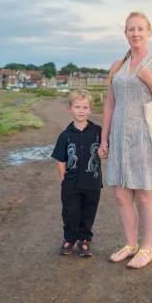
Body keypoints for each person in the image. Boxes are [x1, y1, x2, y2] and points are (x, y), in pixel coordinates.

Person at [99, 12, 152, 269]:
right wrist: (104, 139)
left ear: (149, 32)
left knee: (145, 195)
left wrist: (149, 80)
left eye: (140, 29)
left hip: (146, 138)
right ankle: (130, 244)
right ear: (125, 33)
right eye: (131, 29)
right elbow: (110, 104)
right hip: (119, 138)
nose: (135, 33)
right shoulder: (117, 65)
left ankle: (147, 248)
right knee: (122, 195)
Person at [51, 89, 103, 257]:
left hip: (93, 182)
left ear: (90, 110)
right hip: (71, 184)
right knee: (70, 212)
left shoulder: (98, 132)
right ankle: (69, 239)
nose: (81, 111)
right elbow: (61, 160)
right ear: (70, 109)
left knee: (88, 213)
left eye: (85, 107)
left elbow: (105, 149)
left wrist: (105, 152)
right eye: (77, 107)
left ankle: (85, 240)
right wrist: (64, 179)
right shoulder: (65, 135)